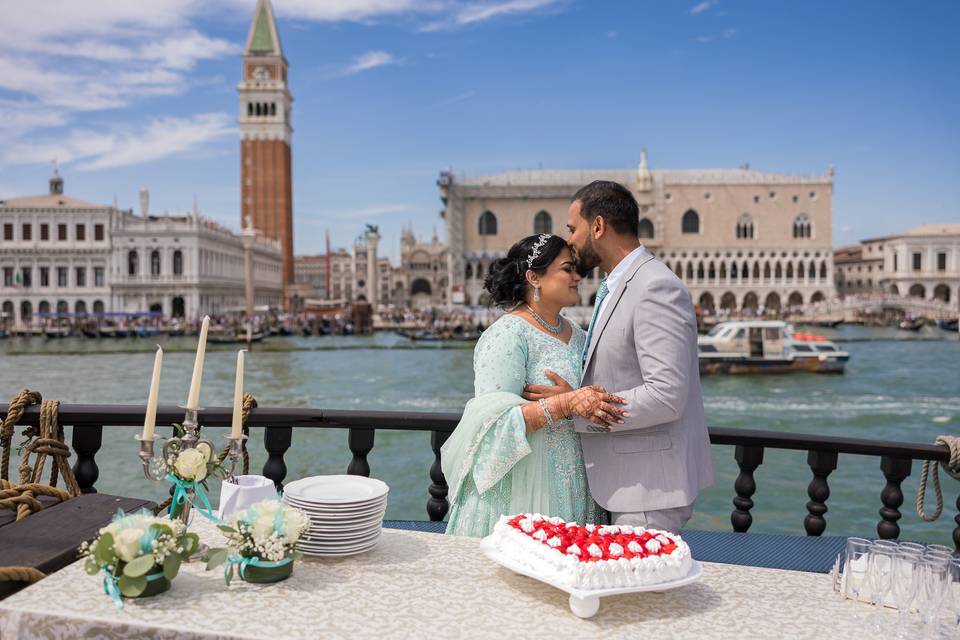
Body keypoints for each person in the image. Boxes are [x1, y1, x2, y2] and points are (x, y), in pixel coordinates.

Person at [524, 180, 713, 534]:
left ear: (598, 227)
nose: (570, 241)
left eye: (572, 228)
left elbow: (666, 395)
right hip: (627, 487)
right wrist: (576, 395)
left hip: (648, 492)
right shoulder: (617, 284)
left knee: (637, 589)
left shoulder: (655, 286)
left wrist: (583, 406)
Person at [441, 234, 627, 537]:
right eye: (568, 269)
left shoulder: (579, 336)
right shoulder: (507, 335)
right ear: (533, 277)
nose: (578, 277)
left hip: (577, 484)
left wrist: (575, 399)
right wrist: (565, 404)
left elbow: (593, 400)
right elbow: (491, 424)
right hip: (522, 492)